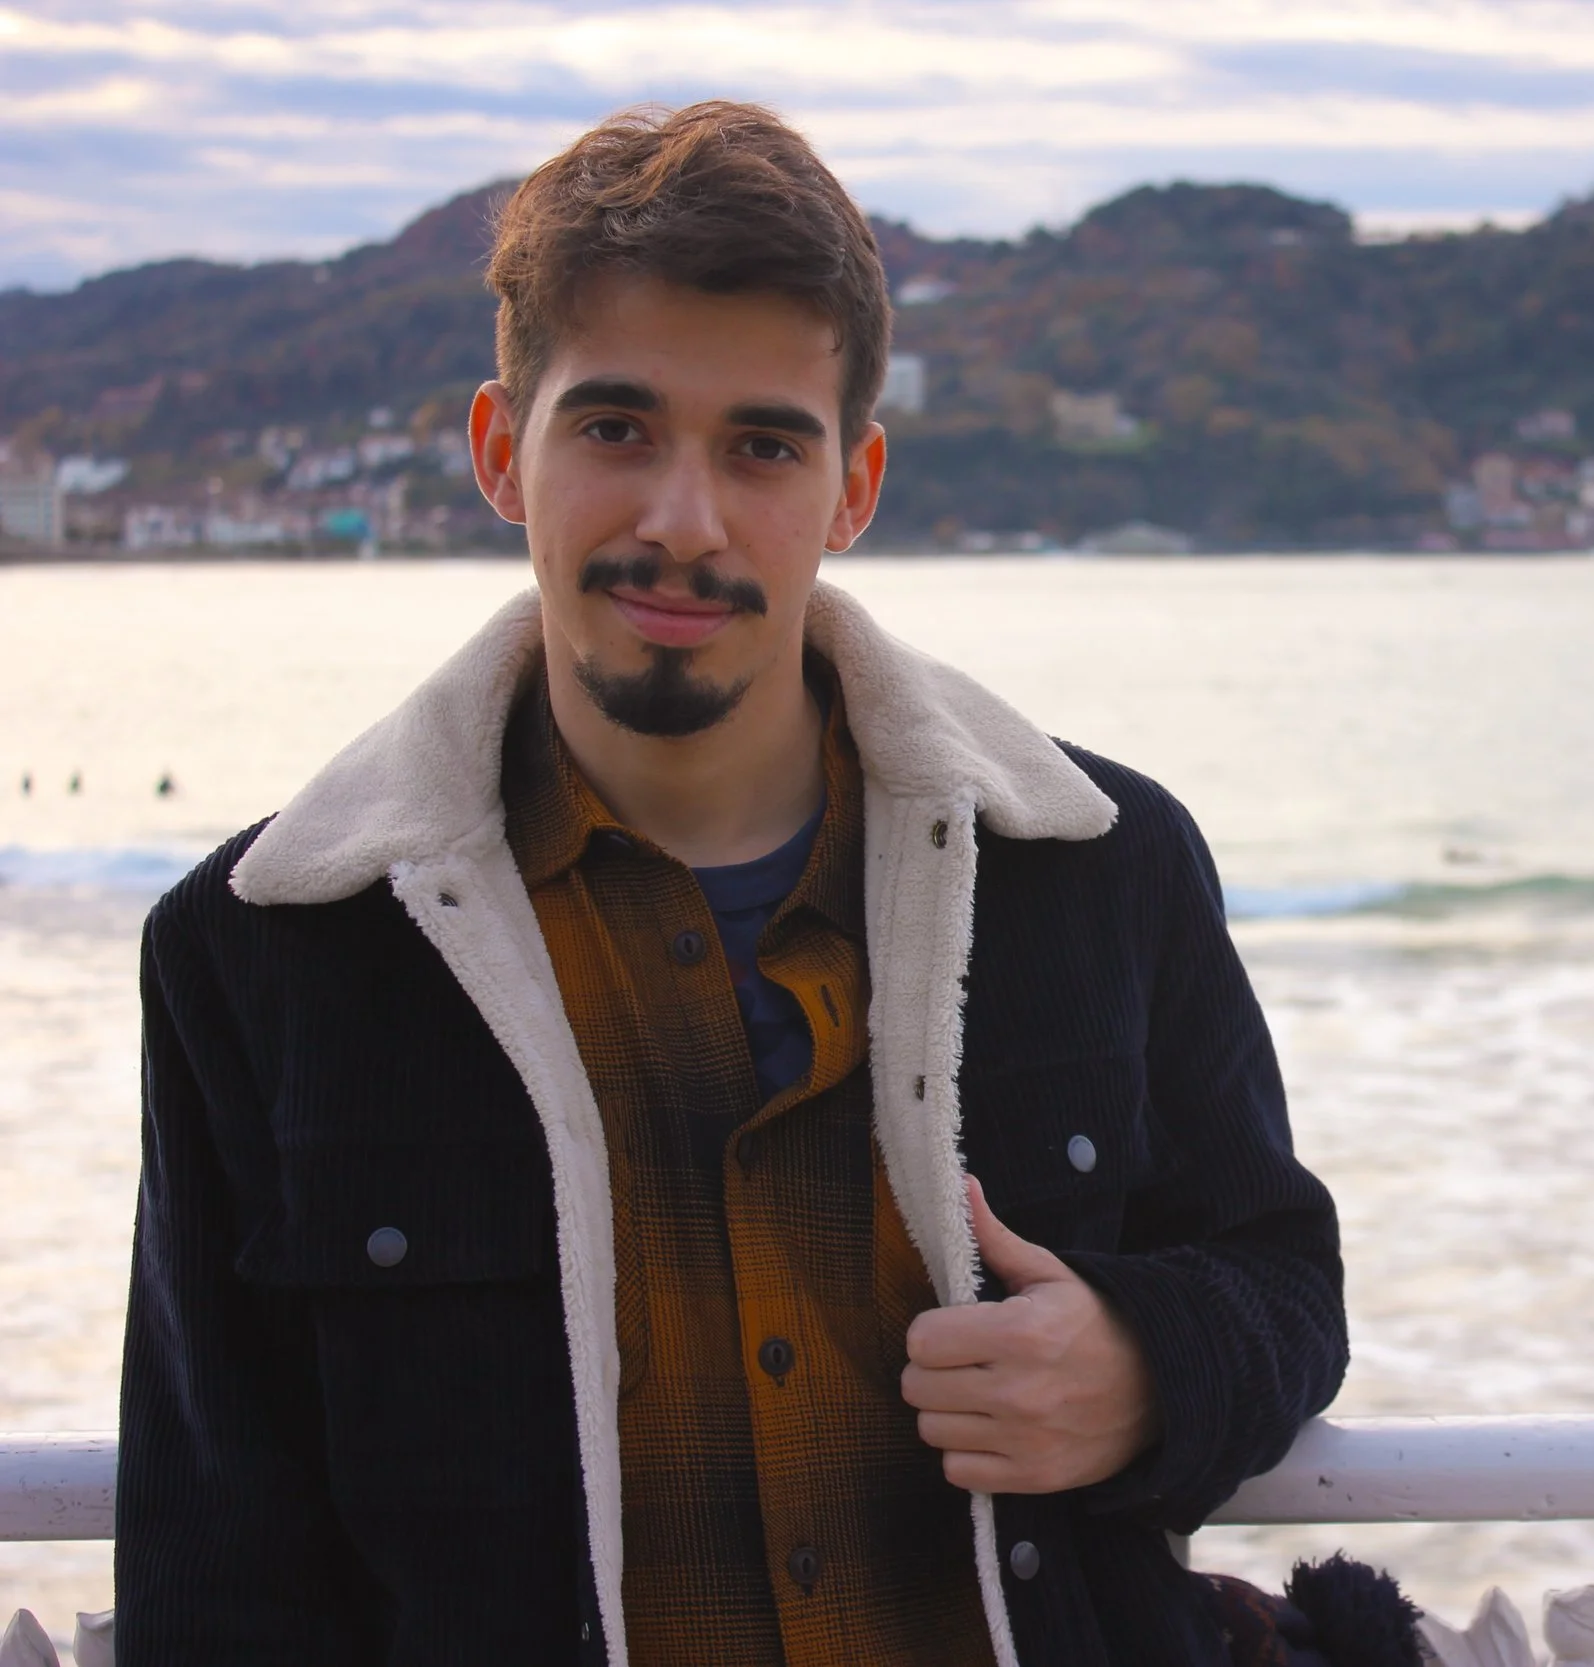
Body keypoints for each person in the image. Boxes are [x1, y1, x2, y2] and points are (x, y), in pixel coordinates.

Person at [116, 102, 1352, 1667]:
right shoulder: (266, 953)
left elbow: (1283, 1279)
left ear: (854, 486)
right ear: (501, 451)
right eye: (615, 429)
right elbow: (221, 1568)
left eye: (762, 445)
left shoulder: (1100, 868)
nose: (681, 522)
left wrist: (1146, 1367)